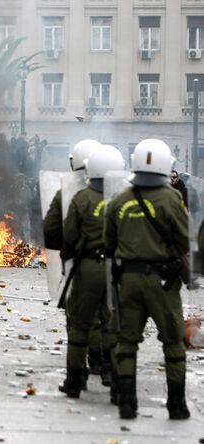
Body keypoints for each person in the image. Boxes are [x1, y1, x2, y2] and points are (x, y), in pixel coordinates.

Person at [104, 139, 190, 420]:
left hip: (128, 279)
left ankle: (127, 402)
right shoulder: (171, 199)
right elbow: (184, 239)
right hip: (162, 283)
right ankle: (176, 405)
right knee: (173, 342)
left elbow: (109, 242)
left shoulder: (119, 200)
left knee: (127, 341)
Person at [59, 145, 124, 399]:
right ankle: (113, 375)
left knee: (80, 324)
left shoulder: (81, 198)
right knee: (113, 324)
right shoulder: (125, 199)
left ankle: (75, 380)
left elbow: (69, 236)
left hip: (87, 268)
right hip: (115, 268)